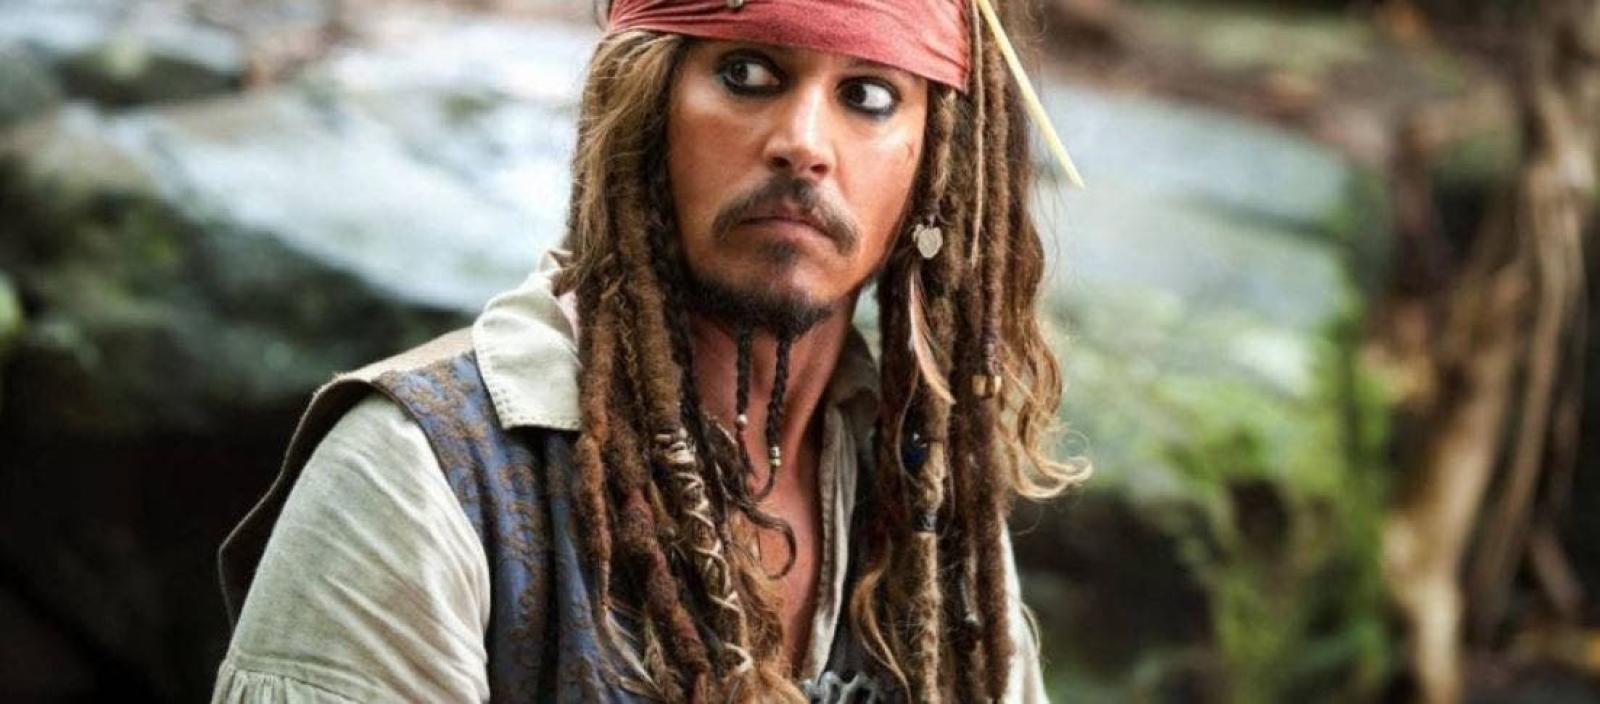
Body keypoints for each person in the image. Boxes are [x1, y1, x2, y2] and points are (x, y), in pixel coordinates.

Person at [212, 0, 1088, 701]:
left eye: (867, 96)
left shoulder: (921, 500)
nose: (803, 144)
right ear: (642, 108)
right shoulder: (421, 474)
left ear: (934, 166)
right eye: (747, 74)